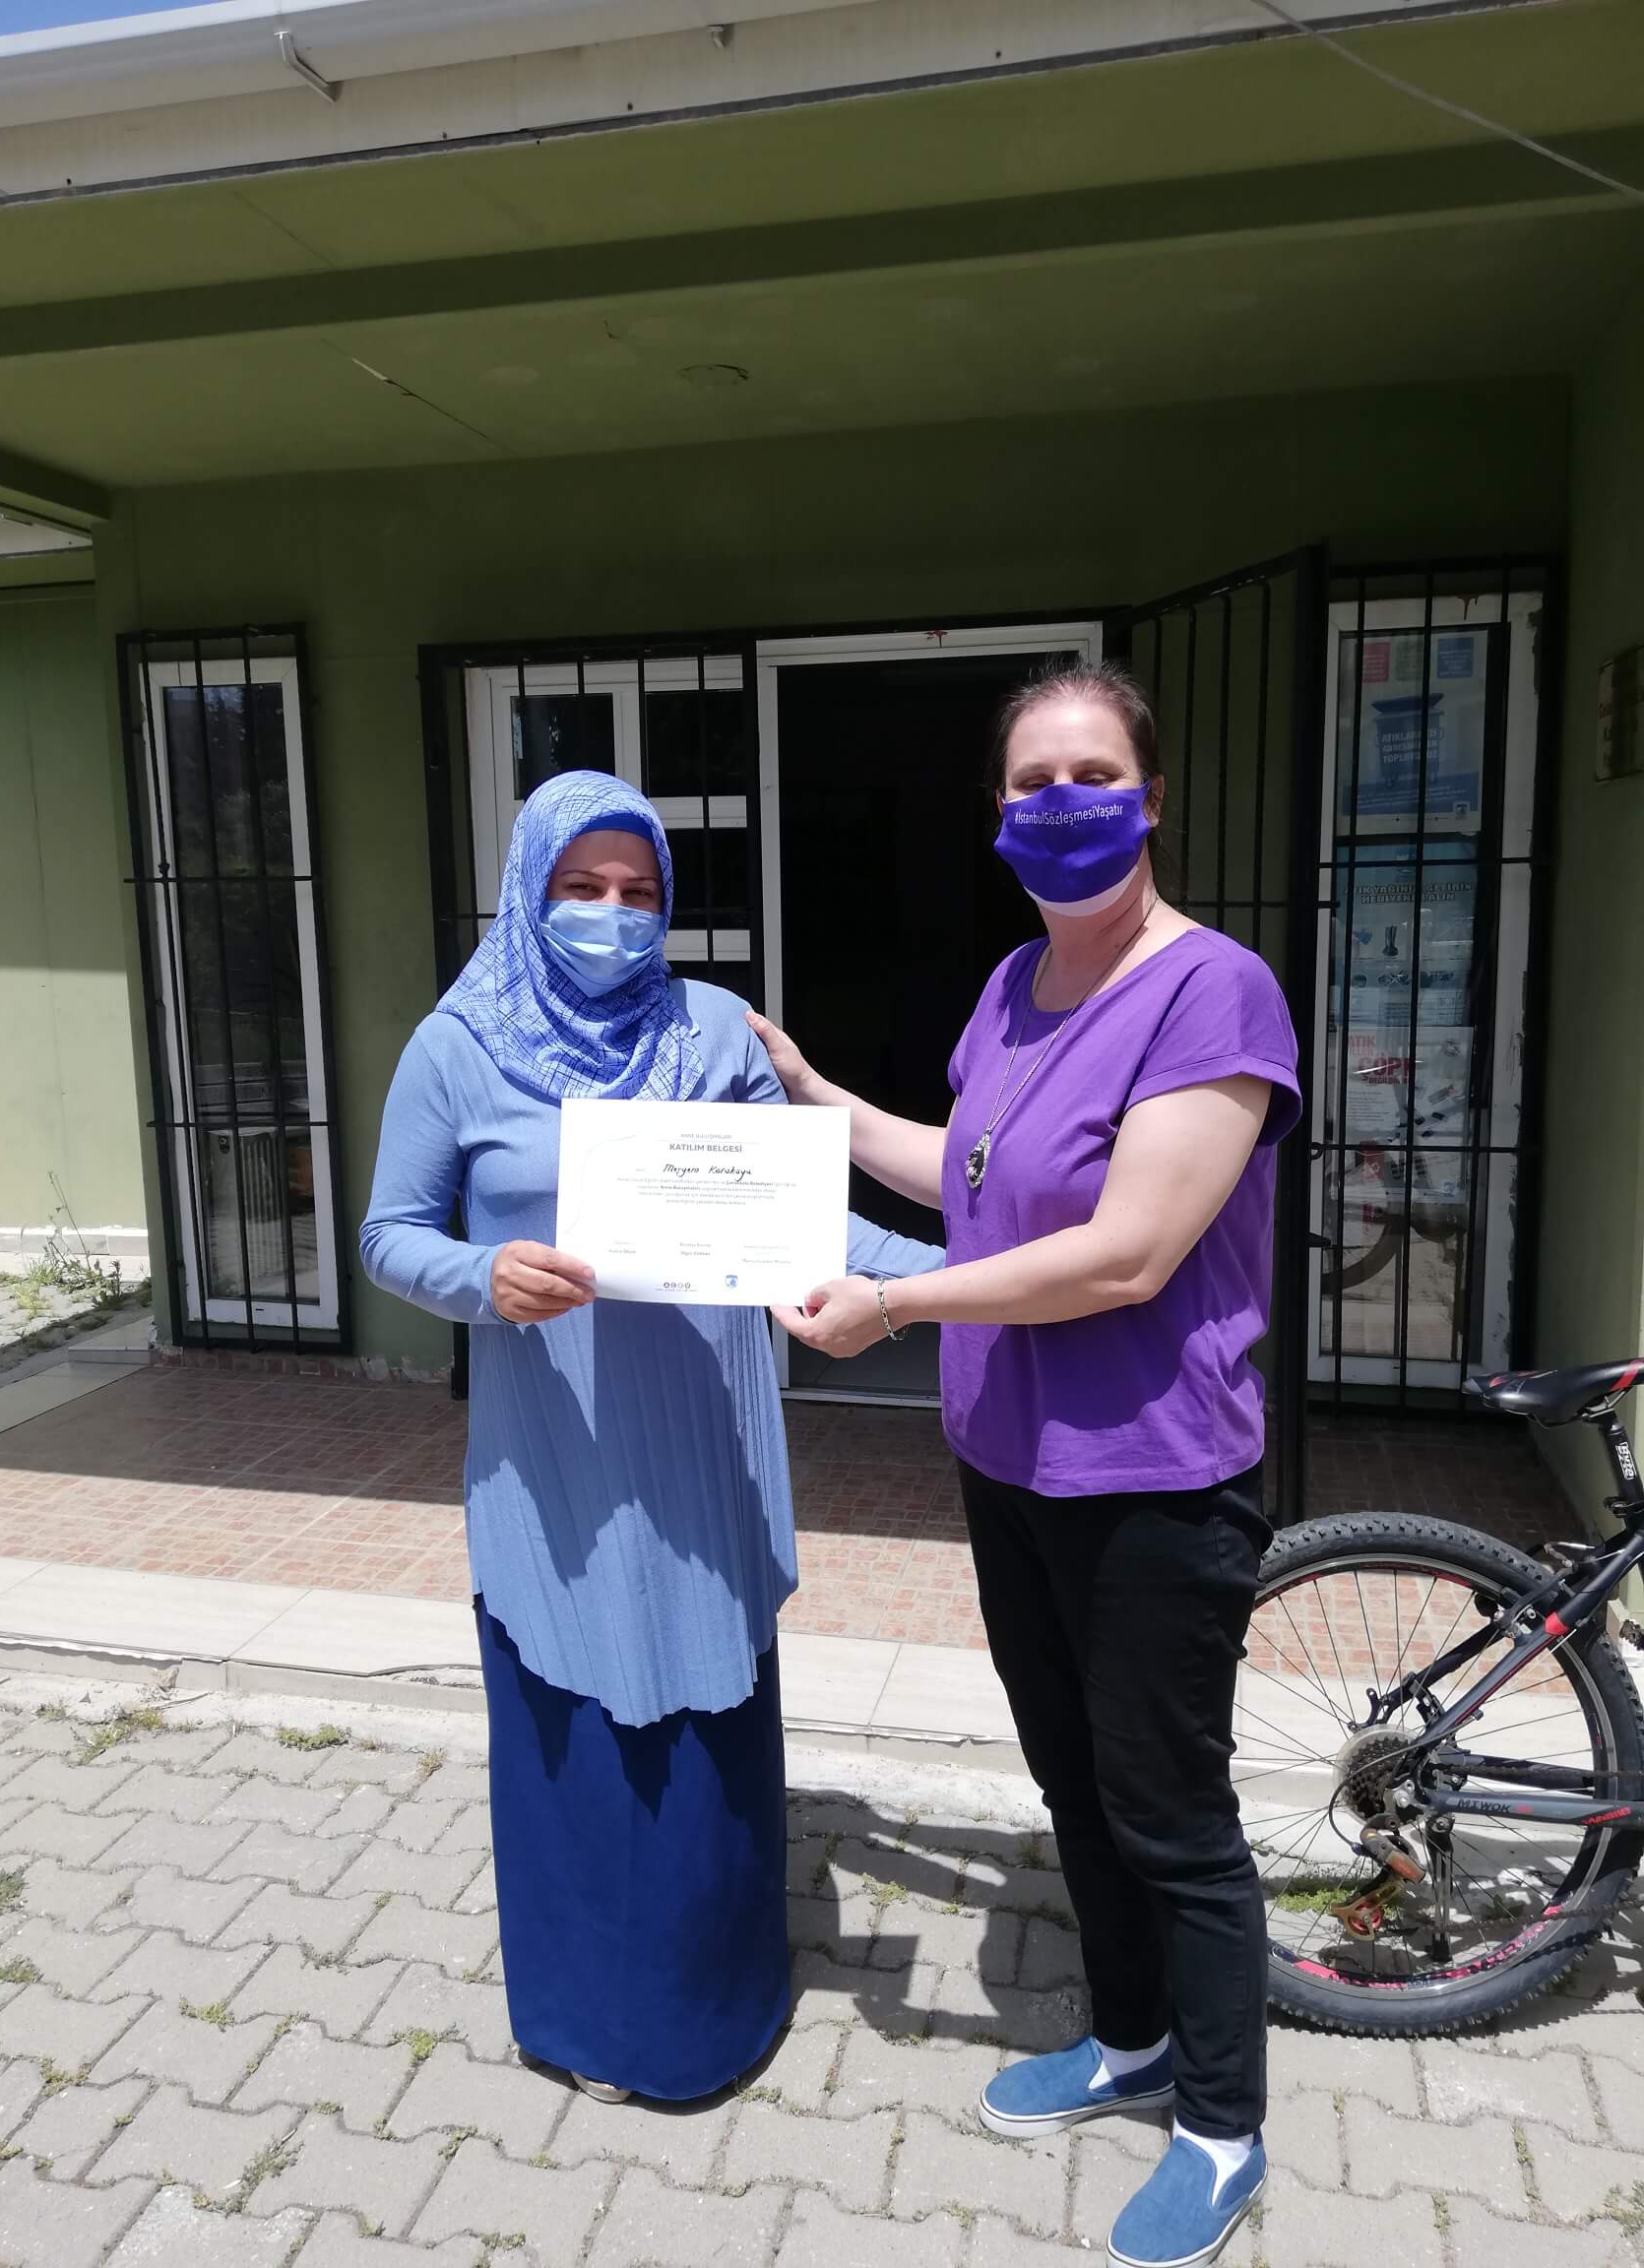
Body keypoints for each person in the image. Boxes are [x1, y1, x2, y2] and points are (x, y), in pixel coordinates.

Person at [750, 662, 1299, 2268]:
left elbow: (1126, 1253)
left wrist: (898, 1305)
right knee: (1076, 1784)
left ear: (1151, 797)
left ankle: (1222, 2126)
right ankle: (1130, 2039)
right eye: (1032, 783)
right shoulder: (1012, 985)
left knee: (1171, 1812)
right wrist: (822, 1102)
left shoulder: (1213, 993)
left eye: (1093, 776)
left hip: (1154, 1484)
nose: (1064, 806)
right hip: (1009, 1466)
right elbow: (976, 1172)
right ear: (998, 812)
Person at [360, 769, 937, 2108]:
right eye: (583, 887)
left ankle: (711, 2021)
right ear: (531, 888)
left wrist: (964, 1281)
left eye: (638, 892)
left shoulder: (712, 1032)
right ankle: (582, 2024)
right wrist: (481, 1276)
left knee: (705, 1748)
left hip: (695, 1452)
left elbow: (804, 1216)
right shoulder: (456, 1048)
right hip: (556, 1461)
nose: (613, 914)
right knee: (569, 1744)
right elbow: (391, 1233)